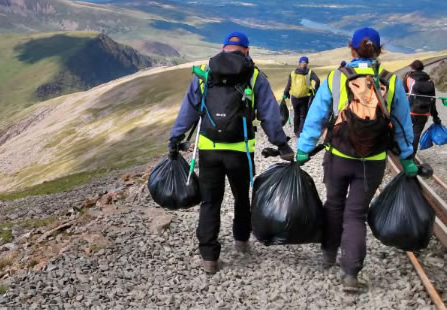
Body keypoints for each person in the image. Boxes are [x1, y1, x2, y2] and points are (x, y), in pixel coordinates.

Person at [295, 27, 415, 292]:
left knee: (334, 205)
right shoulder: (391, 81)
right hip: (372, 160)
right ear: (379, 51)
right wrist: (407, 159)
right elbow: (403, 125)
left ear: (352, 50)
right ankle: (350, 273)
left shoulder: (337, 78)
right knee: (356, 214)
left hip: (338, 155)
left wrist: (303, 149)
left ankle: (328, 253)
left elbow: (315, 117)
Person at [168, 32, 294, 274]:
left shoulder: (205, 73)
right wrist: (281, 144)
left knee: (210, 202)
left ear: (223, 48)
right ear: (246, 50)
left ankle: (209, 257)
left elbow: (189, 111)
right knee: (241, 198)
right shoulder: (254, 75)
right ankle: (241, 240)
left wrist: (175, 138)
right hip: (240, 152)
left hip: (208, 151)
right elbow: (268, 113)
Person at [403, 59, 441, 153]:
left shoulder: (408, 79)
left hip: (409, 110)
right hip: (424, 113)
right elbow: (433, 99)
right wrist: (435, 116)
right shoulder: (429, 81)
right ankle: (411, 156)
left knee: (404, 131)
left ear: (412, 68)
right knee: (416, 135)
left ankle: (402, 152)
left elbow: (403, 94)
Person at [283, 56, 320, 137]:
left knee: (296, 114)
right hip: (305, 97)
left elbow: (289, 85)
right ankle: (300, 132)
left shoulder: (293, 73)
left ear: (299, 63)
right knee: (303, 115)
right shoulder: (309, 72)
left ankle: (295, 131)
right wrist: (316, 89)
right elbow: (317, 80)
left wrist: (285, 93)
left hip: (294, 97)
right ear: (307, 63)